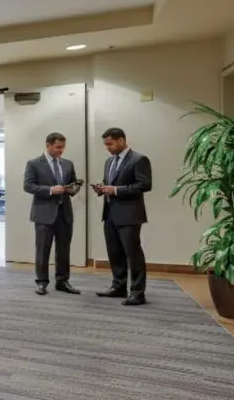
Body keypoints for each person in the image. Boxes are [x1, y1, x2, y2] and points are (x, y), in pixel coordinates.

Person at [93, 127, 151, 306]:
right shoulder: (109, 162)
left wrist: (116, 190)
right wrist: (102, 187)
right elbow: (109, 182)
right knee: (115, 253)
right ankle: (118, 287)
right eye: (105, 145)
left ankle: (137, 293)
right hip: (110, 214)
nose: (107, 148)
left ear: (121, 140)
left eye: (110, 144)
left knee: (133, 255)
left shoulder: (139, 159)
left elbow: (144, 185)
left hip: (130, 215)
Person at [23, 132, 82, 296]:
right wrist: (50, 190)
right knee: (42, 250)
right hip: (43, 215)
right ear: (48, 145)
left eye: (63, 147)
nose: (61, 151)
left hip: (65, 214)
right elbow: (28, 186)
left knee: (64, 250)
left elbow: (75, 183)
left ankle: (62, 282)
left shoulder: (68, 164)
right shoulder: (34, 163)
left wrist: (74, 189)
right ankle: (41, 282)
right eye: (58, 147)